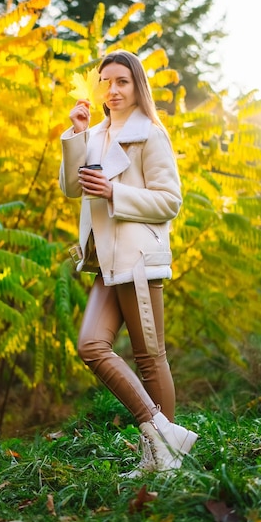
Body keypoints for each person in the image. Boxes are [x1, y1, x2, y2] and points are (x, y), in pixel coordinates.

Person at [59, 50, 197, 475]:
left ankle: (161, 458)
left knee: (149, 356)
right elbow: (69, 189)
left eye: (122, 81)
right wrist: (77, 134)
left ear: (137, 85)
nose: (113, 89)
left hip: (137, 259)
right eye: (106, 81)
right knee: (90, 345)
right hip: (105, 261)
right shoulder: (95, 134)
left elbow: (169, 201)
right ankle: (164, 435)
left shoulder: (150, 135)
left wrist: (115, 193)